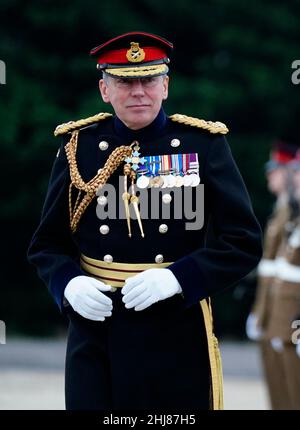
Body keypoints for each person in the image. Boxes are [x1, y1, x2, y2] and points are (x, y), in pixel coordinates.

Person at [27, 31, 262, 410]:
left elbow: (242, 242)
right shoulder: (78, 146)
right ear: (105, 90)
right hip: (96, 329)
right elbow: (46, 245)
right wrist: (67, 284)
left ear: (165, 86)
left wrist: (178, 277)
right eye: (124, 81)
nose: (139, 91)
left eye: (149, 79)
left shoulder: (203, 145)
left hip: (174, 327)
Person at [245, 141, 294, 409]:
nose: (270, 176)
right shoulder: (283, 211)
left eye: (277, 170)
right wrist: (261, 313)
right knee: (280, 390)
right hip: (276, 315)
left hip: (291, 320)